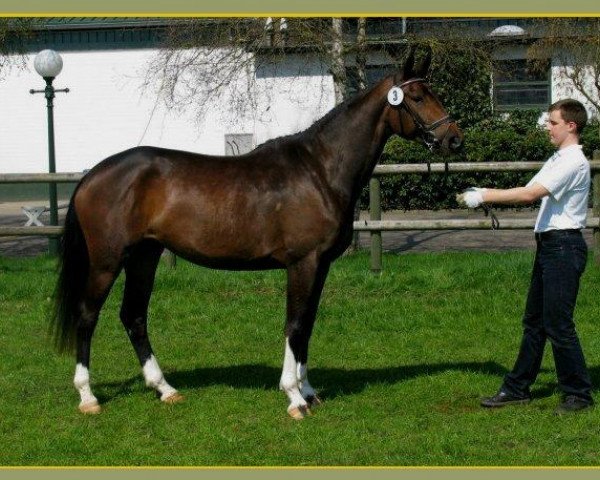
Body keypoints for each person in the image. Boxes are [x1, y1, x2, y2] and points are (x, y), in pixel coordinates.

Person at [457, 98, 593, 415]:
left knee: (558, 325)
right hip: (550, 247)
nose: (547, 126)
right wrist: (487, 190)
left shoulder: (573, 161)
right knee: (535, 323)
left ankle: (579, 394)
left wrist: (484, 196)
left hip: (564, 247)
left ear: (571, 126)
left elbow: (531, 194)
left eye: (553, 122)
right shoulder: (558, 158)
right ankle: (517, 388)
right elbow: (528, 188)